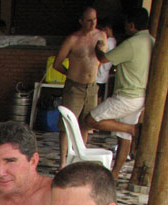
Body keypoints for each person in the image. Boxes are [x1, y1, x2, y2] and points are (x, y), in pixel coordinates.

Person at [86, 7, 154, 180]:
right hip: (141, 96)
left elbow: (104, 59)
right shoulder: (152, 41)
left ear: (131, 25)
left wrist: (98, 48)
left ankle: (132, 129)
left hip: (127, 96)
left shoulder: (132, 43)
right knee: (124, 138)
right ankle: (115, 174)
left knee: (91, 120)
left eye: (125, 23)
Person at [53, 6, 106, 168]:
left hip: (92, 86)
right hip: (75, 86)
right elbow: (57, 63)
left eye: (94, 20)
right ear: (81, 21)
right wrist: (70, 74)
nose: (92, 23)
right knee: (67, 125)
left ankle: (80, 159)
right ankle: (63, 161)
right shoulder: (73, 39)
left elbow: (103, 59)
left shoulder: (101, 36)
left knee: (86, 124)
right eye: (89, 20)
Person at [96, 18, 116, 102]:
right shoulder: (113, 41)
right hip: (103, 75)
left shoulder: (107, 42)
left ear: (106, 29)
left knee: (97, 98)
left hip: (99, 75)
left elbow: (101, 59)